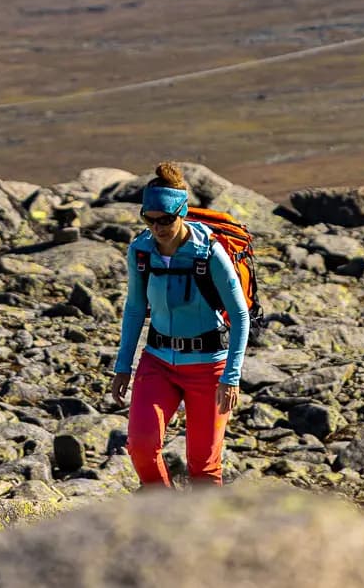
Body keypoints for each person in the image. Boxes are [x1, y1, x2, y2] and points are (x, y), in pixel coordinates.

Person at [109, 162, 250, 486]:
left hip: (209, 368)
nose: (157, 228)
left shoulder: (209, 253)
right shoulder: (141, 251)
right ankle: (161, 515)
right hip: (158, 362)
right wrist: (122, 366)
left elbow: (240, 315)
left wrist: (231, 376)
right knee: (141, 446)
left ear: (182, 212)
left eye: (166, 220)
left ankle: (204, 534)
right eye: (150, 219)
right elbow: (134, 309)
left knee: (203, 466)